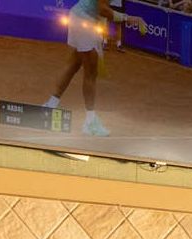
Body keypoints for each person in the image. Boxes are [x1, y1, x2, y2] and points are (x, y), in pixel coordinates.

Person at [43, 0, 147, 137]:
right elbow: (103, 10)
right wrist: (128, 18)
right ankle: (90, 122)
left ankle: (50, 105)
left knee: (74, 64)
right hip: (85, 22)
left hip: (78, 17)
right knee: (91, 74)